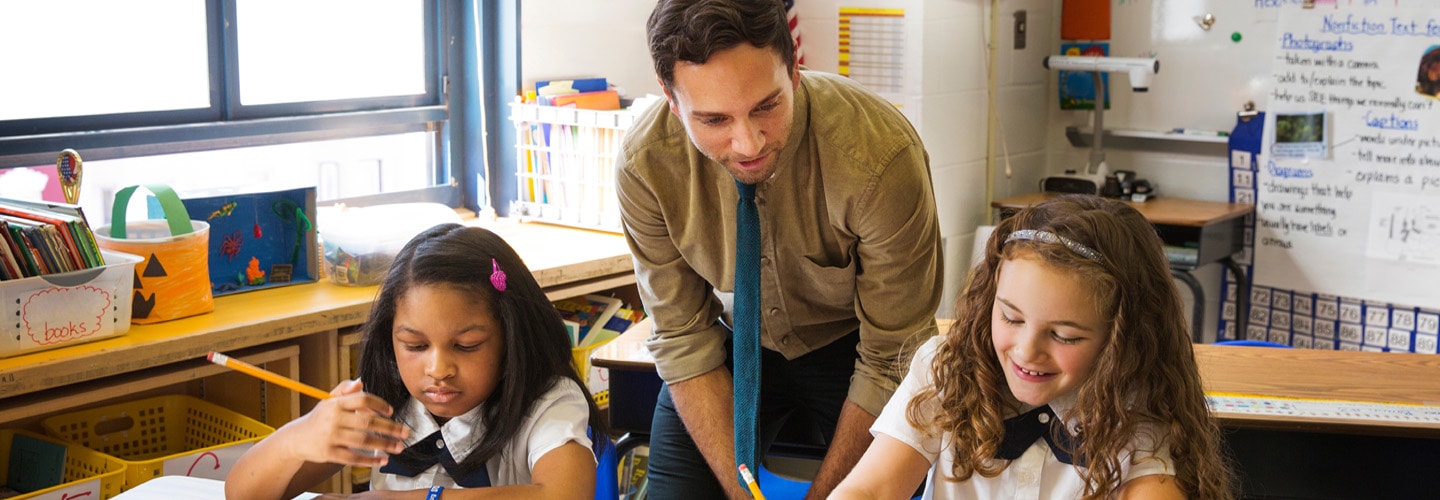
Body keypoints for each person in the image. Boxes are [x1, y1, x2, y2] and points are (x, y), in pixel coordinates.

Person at [617, 0, 943, 498]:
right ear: (670, 97)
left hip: (855, 350)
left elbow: (892, 355)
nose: (747, 144)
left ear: (793, 69)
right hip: (729, 343)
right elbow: (683, 336)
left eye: (766, 106)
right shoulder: (645, 165)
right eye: (713, 119)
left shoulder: (880, 157)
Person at [831, 195, 1236, 499]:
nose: (1026, 351)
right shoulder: (946, 368)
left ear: (1120, 337)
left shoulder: (1136, 406)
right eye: (1010, 317)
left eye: (1064, 336)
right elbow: (872, 489)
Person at [226, 224, 606, 499]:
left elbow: (564, 495)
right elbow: (242, 493)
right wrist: (301, 437)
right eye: (414, 345)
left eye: (467, 345)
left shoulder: (546, 401)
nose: (438, 370)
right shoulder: (385, 400)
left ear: (511, 336)